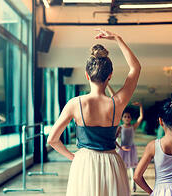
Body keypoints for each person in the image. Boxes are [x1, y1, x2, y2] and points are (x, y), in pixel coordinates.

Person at [47, 29, 141, 196]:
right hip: (112, 162)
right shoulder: (117, 102)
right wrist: (118, 38)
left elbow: (53, 139)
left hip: (85, 162)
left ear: (87, 75)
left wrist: (74, 157)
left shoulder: (74, 104)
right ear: (110, 76)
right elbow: (135, 68)